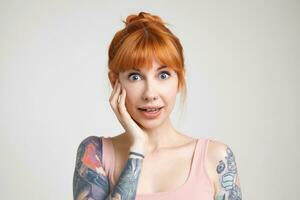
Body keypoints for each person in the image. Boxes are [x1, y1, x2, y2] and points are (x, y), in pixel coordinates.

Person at [73, 11, 242, 200]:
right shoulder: (95, 154)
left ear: (179, 79)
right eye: (135, 77)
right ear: (115, 82)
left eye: (163, 75)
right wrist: (137, 149)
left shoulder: (216, 158)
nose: (150, 94)